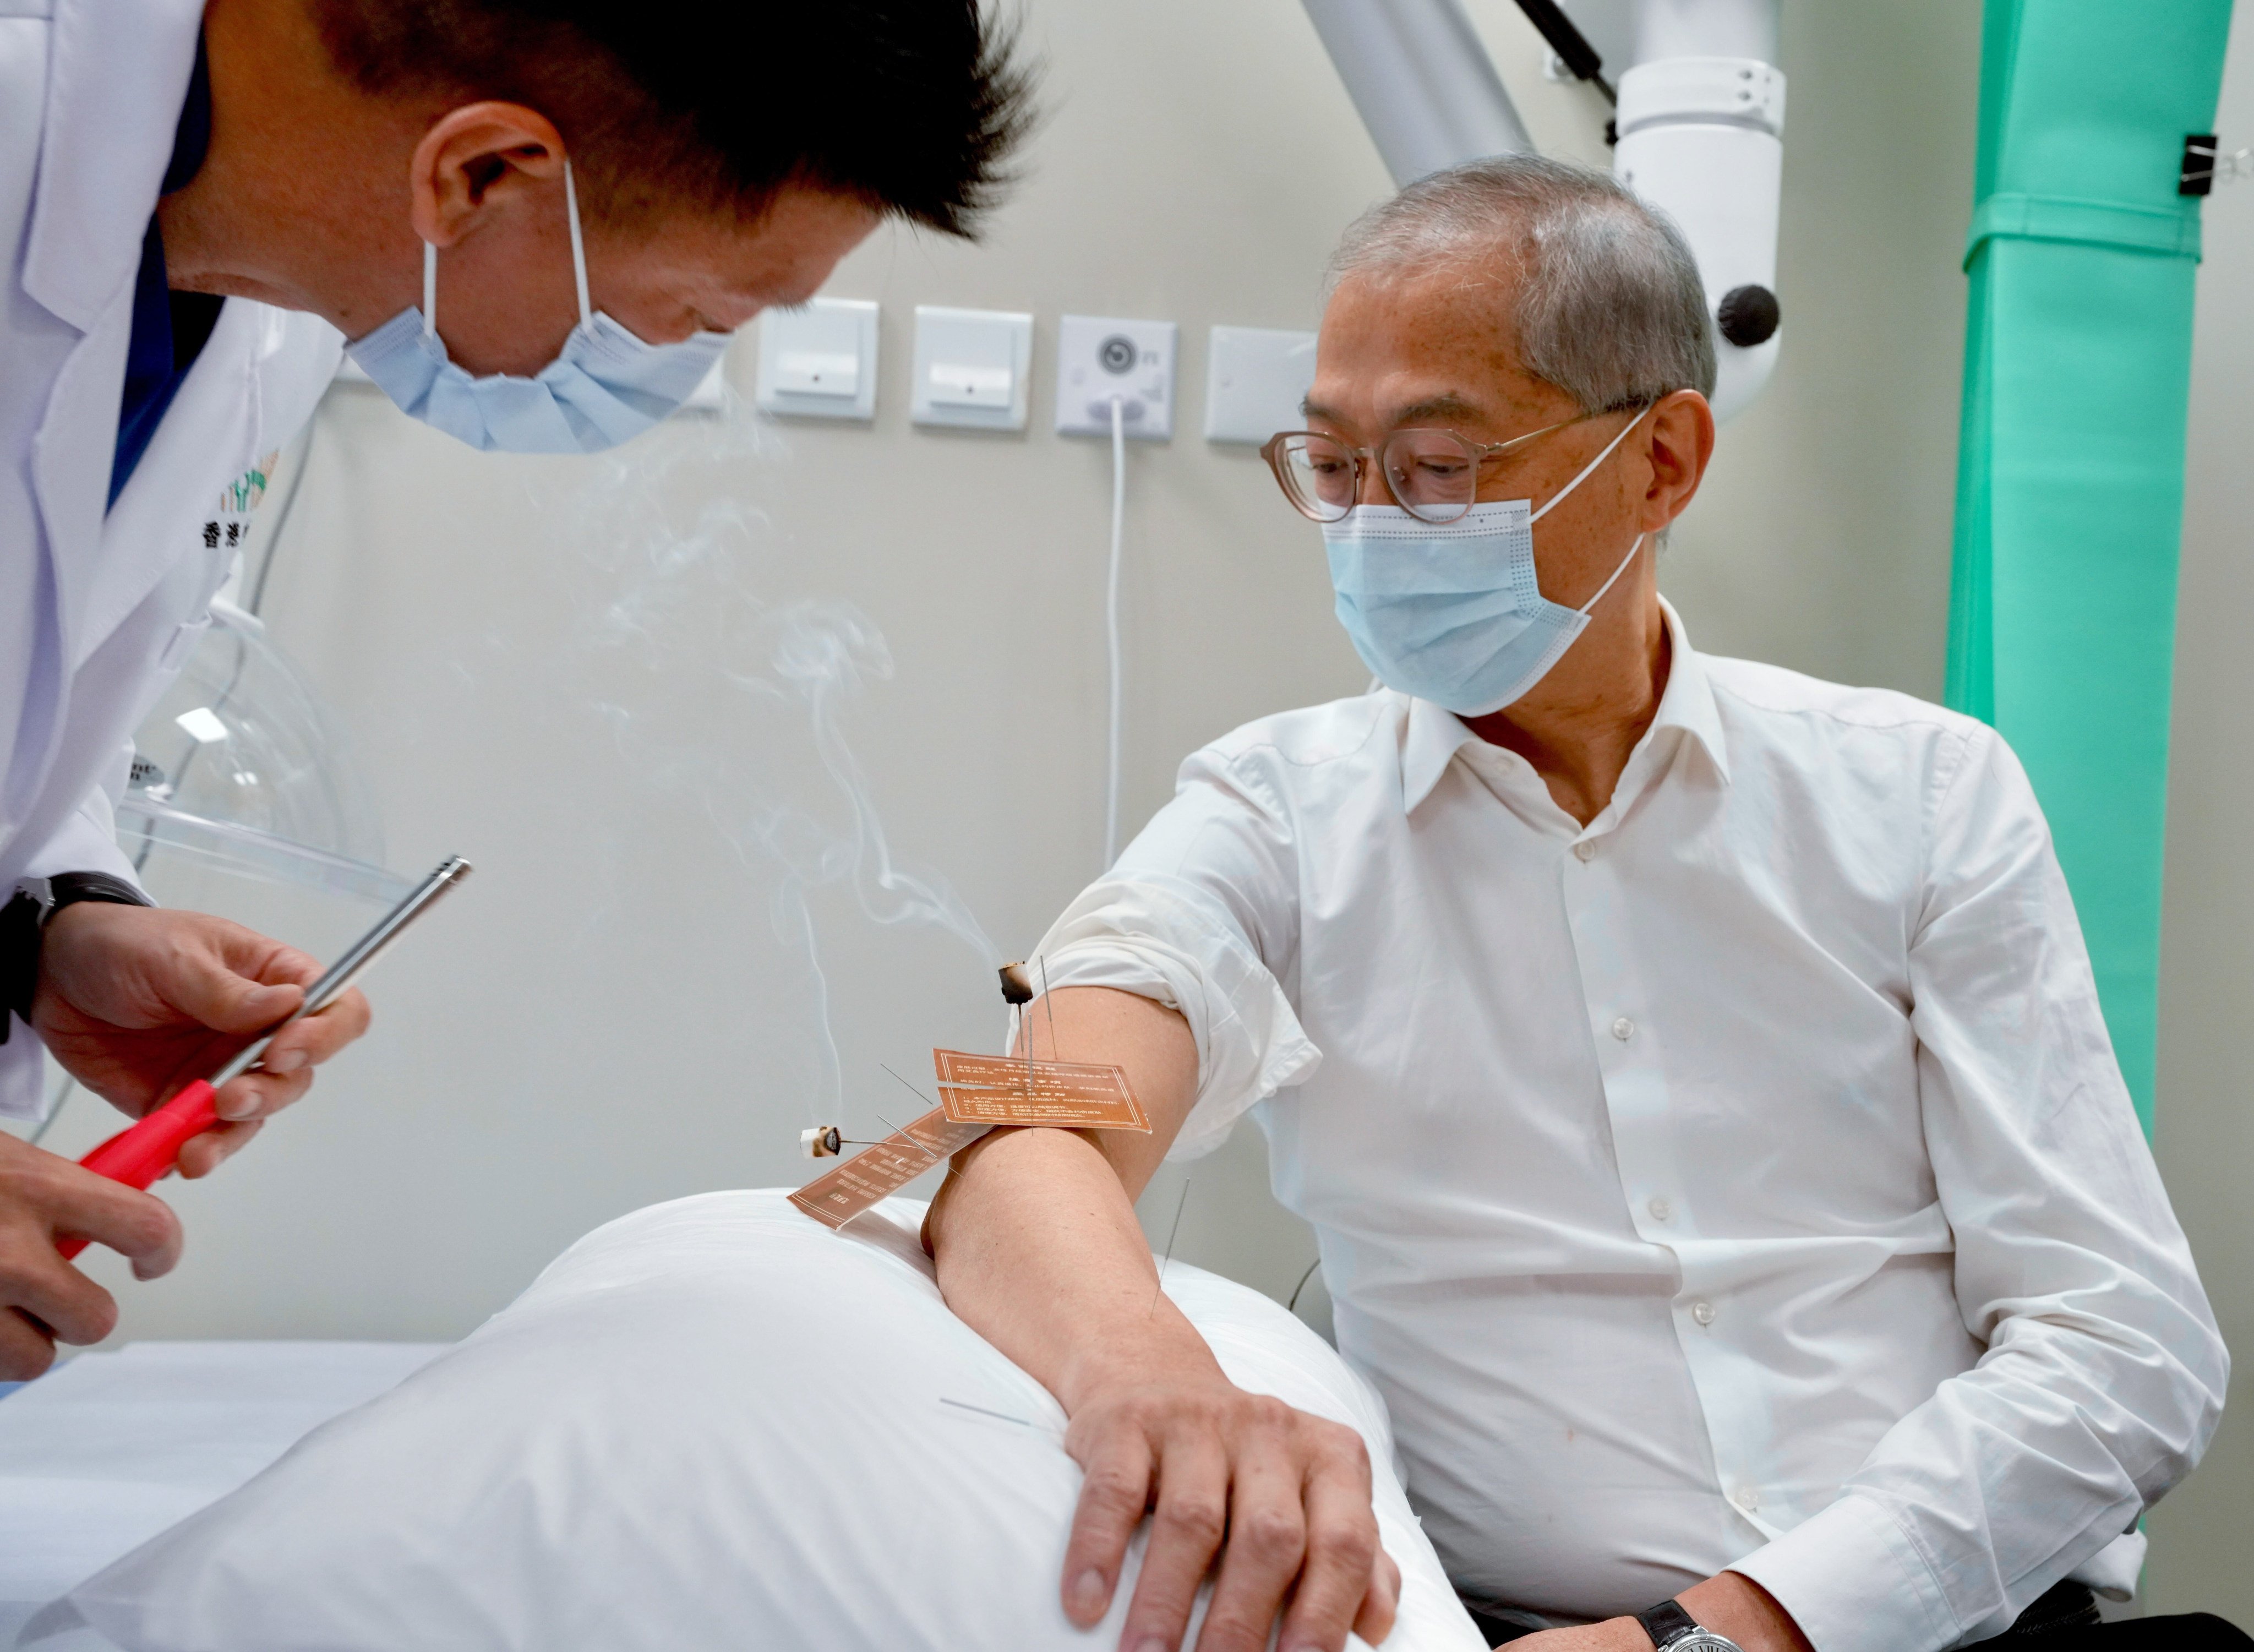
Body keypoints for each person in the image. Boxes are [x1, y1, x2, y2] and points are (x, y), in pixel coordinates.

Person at [921, 156, 2235, 1652]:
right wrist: (1145, 1367)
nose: (1367, 531)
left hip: (1964, 1627)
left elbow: (2127, 1347)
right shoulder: (1275, 818)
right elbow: (1028, 1130)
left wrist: (1733, 1631)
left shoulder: (1922, 795)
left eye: (1436, 465)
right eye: (1336, 468)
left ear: (1665, 462)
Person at [0, 0, 1028, 1380]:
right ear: (482, 175)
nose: (677, 360)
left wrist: (49, 930)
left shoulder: (271, 302)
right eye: (698, 313)